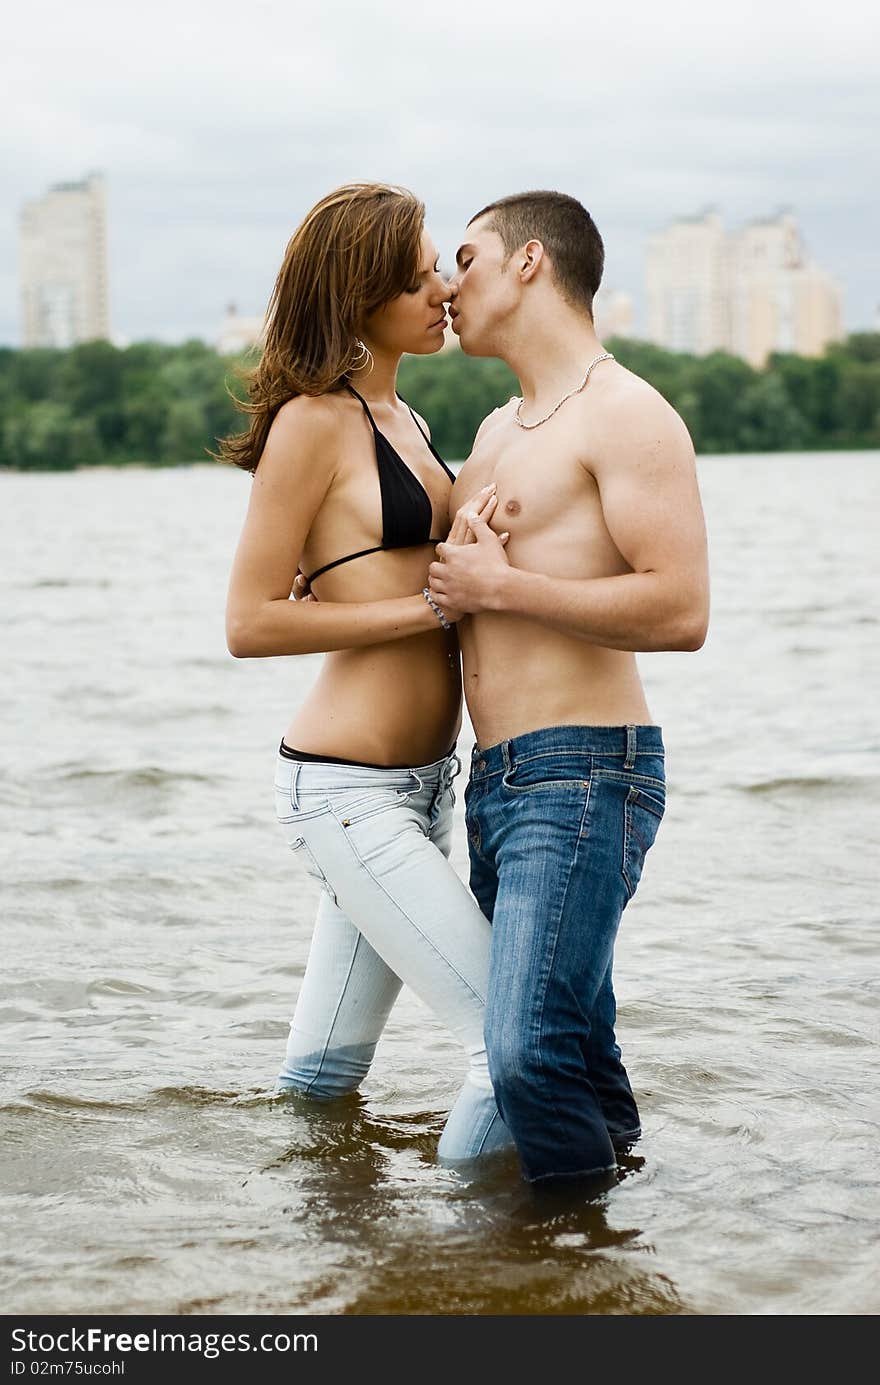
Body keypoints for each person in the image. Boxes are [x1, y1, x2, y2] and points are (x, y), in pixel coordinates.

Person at [221, 182, 512, 1162]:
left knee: (321, 1077)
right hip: (344, 791)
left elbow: (409, 570)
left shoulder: (409, 419)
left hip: (426, 785)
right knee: (506, 1047)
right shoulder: (313, 421)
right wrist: (427, 606)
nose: (441, 288)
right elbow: (249, 621)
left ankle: (326, 1265)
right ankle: (484, 1285)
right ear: (362, 293)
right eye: (420, 272)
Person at [427, 190, 710, 1190]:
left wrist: (505, 584)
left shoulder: (625, 412)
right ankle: (624, 1229)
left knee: (523, 1050)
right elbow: (463, 592)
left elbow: (680, 609)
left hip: (586, 769)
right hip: (497, 780)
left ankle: (564, 1285)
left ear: (529, 262)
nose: (446, 284)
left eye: (465, 259)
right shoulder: (496, 427)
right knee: (574, 1044)